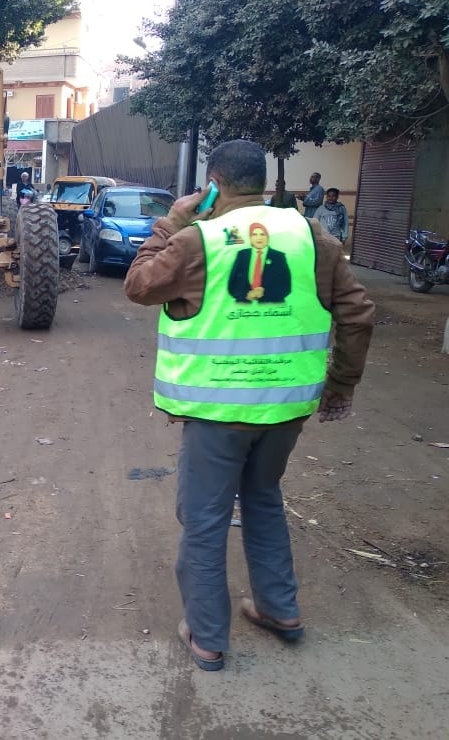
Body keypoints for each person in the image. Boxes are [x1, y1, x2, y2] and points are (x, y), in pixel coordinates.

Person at [124, 139, 374, 671]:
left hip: (217, 414)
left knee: (205, 519)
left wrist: (170, 222)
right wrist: (341, 385)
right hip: (285, 410)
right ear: (262, 182)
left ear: (213, 184)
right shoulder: (312, 236)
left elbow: (139, 285)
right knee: (262, 497)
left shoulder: (197, 240)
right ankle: (279, 610)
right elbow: (357, 314)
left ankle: (208, 638)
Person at [227, 222, 292, 303]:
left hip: (271, 306)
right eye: (254, 234)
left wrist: (265, 293)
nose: (259, 238)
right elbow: (232, 285)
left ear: (267, 238)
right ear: (250, 238)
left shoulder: (278, 256)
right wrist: (246, 295)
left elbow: (286, 287)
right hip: (244, 306)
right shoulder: (242, 255)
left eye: (262, 234)